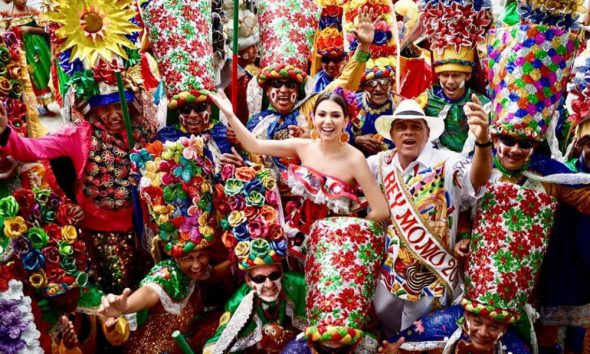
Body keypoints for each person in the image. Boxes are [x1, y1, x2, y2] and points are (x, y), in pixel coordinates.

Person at [368, 97, 492, 336]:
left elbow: (477, 179)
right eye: (401, 127)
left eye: (416, 126)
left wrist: (483, 142)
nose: (408, 133)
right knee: (390, 334)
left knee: (421, 340)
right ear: (392, 134)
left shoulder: (447, 162)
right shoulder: (378, 164)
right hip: (387, 276)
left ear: (428, 133)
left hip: (433, 277)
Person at [244, 4, 376, 189]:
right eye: (276, 84)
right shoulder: (256, 123)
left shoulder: (313, 107)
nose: (283, 90)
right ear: (266, 90)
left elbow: (347, 82)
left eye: (290, 85)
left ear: (298, 90)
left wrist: (363, 47)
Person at [282, 216, 387, 354]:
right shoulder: (294, 352)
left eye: (341, 351)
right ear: (312, 348)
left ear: (353, 348)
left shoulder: (367, 347)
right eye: (324, 351)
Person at [415, 0, 490, 154]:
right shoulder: (426, 100)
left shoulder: (483, 105)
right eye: (444, 75)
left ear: (468, 75)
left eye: (456, 75)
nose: (450, 82)